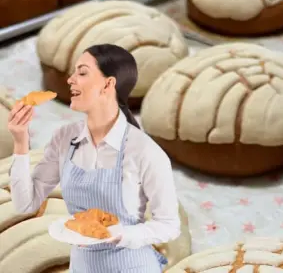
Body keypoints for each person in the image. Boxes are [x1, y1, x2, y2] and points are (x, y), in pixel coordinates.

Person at [8, 44, 180, 273]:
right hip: (83, 266)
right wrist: (20, 141)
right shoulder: (64, 138)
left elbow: (169, 225)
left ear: (108, 84)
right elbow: (24, 204)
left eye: (82, 72)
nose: (70, 80)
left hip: (132, 266)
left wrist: (119, 234)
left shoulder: (144, 150)